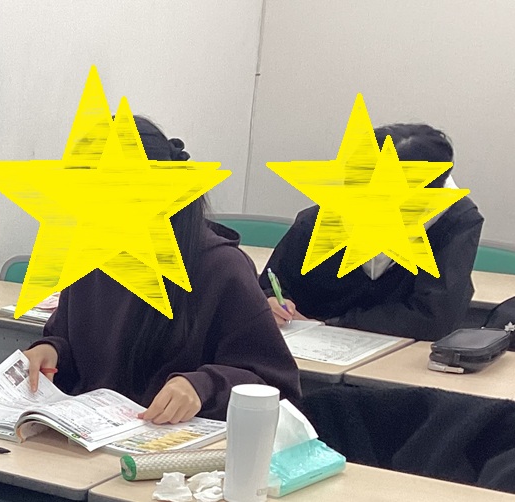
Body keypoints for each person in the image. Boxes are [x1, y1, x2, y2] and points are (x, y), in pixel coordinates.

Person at [25, 116, 301, 423]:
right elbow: (73, 347)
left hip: (181, 443)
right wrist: (52, 351)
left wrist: (202, 386)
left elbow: (276, 387)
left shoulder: (222, 269)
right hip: (91, 434)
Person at [260, 123, 484, 341]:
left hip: (394, 351)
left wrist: (332, 326)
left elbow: (434, 317)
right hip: (304, 345)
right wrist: (271, 301)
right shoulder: (319, 218)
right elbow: (271, 283)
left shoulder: (454, 220)